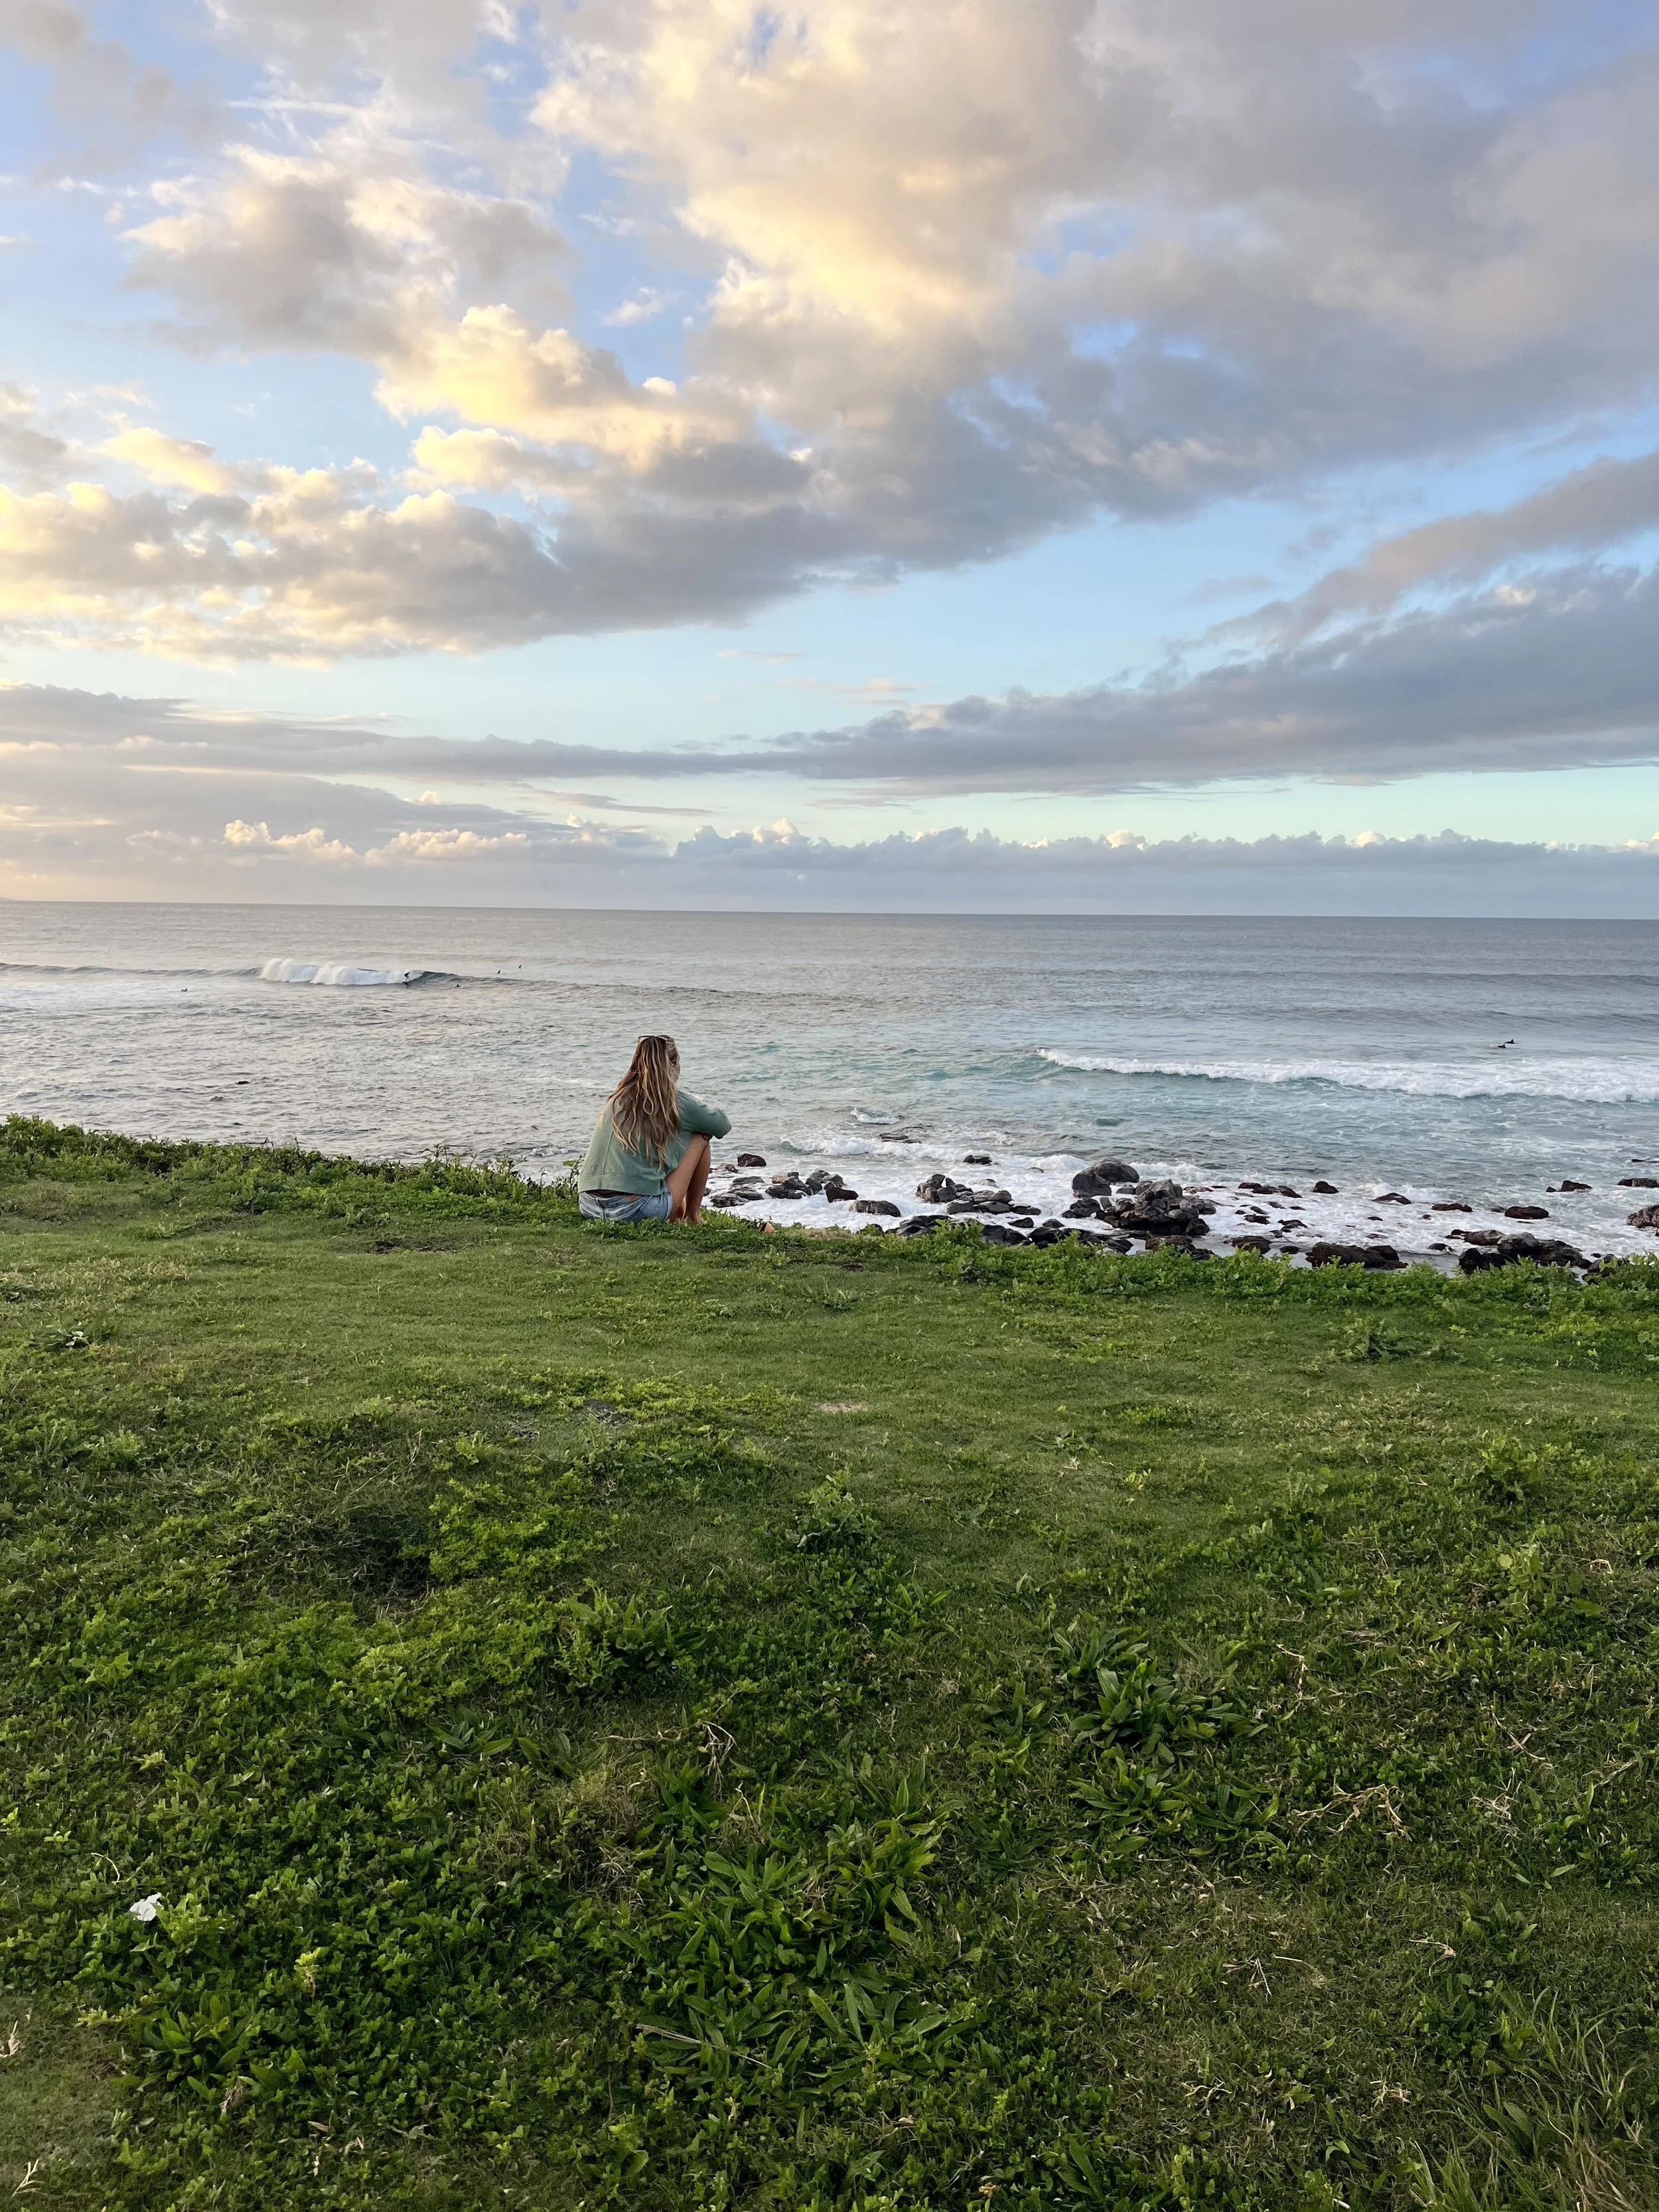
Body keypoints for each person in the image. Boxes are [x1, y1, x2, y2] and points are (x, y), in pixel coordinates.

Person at [577, 1034, 730, 1224]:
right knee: (701, 1135)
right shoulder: (674, 1101)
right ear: (673, 1066)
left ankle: (676, 1213)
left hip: (589, 1206)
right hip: (634, 1210)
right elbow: (722, 1125)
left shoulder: (616, 1098)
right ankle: (693, 1217)